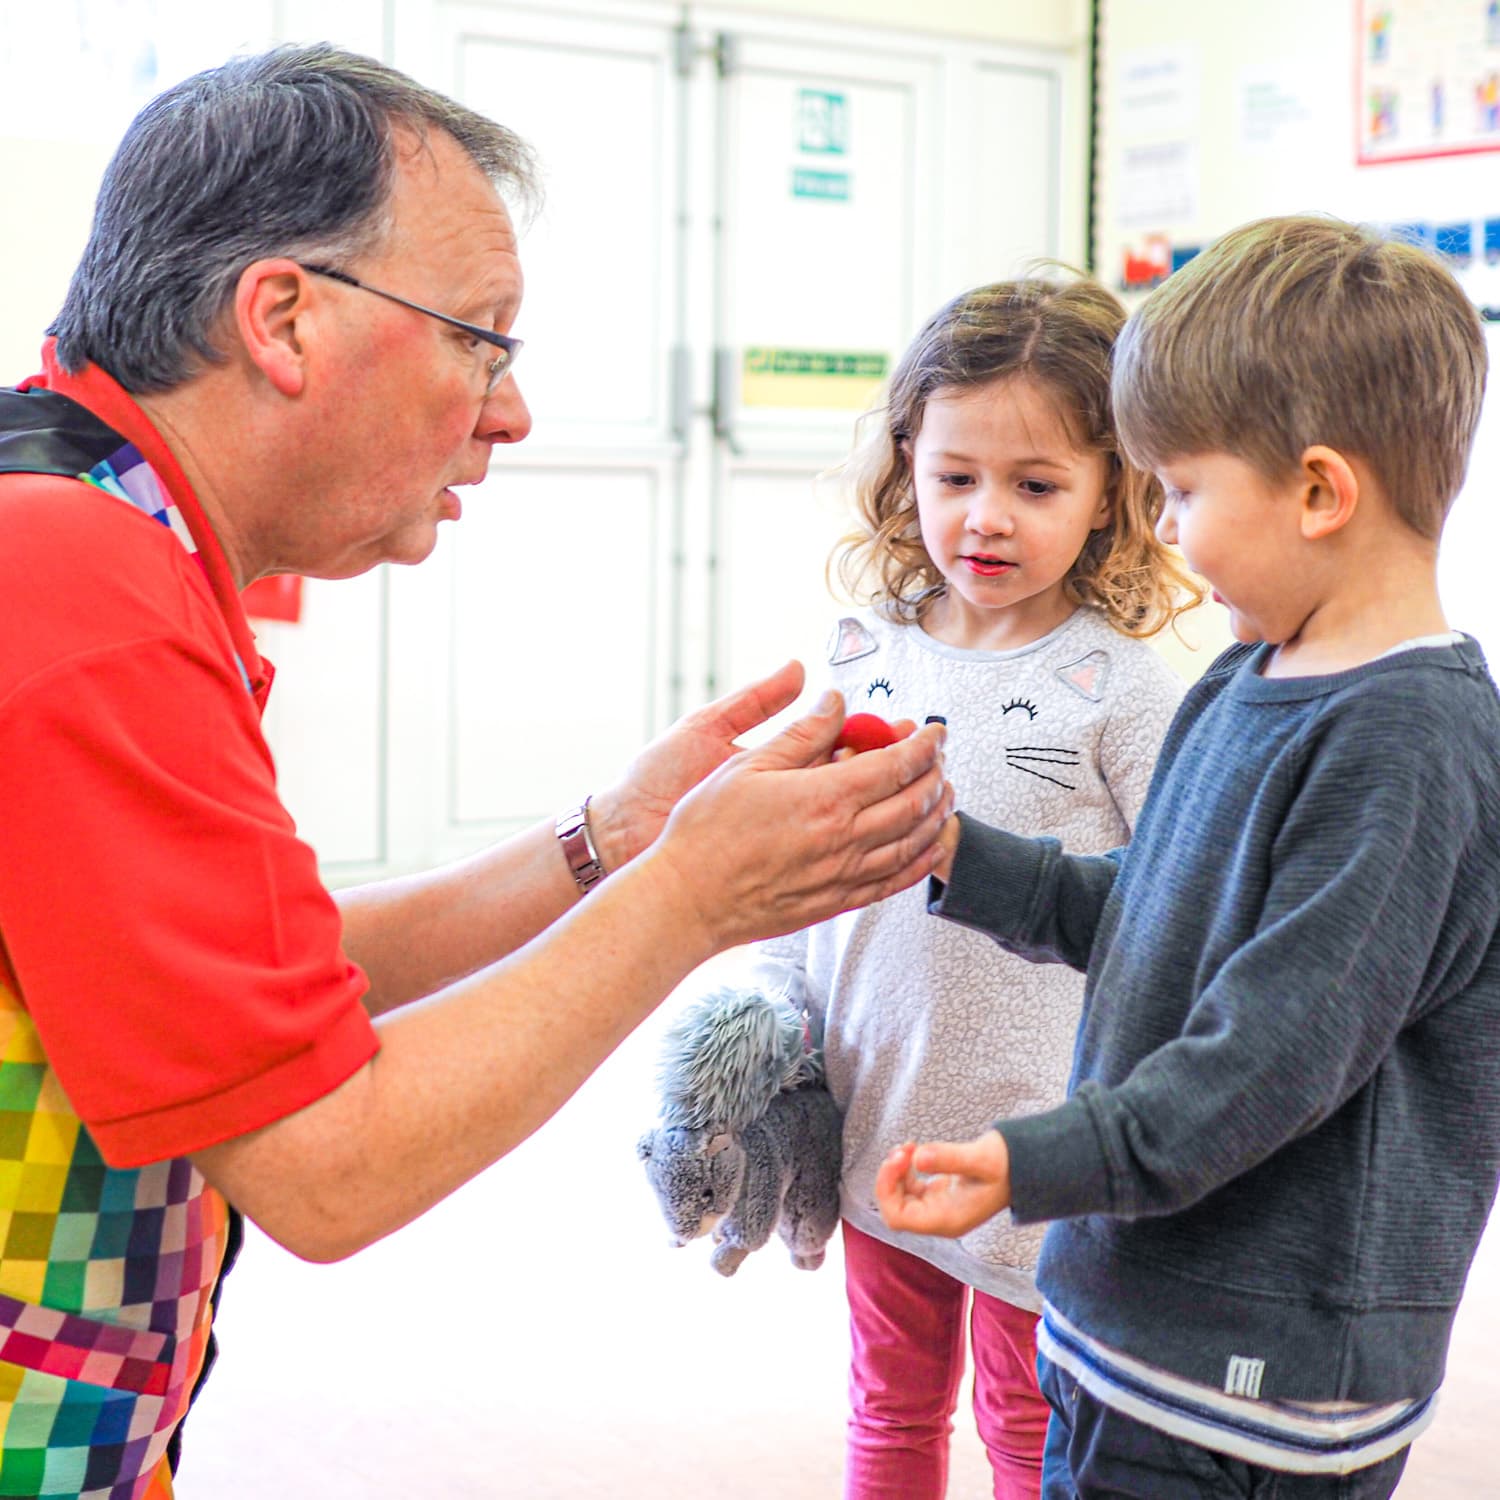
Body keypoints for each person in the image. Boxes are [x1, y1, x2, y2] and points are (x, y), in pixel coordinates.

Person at [0, 45, 952, 1500]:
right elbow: (329, 1163)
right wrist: (691, 899)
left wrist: (610, 842)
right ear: (284, 318)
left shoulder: (85, 526)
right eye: (482, 340)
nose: (506, 412)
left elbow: (247, 989)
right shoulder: (81, 595)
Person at [874, 214, 1500, 1499]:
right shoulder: (1252, 669)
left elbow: (1271, 1054)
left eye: (1184, 491)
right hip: (1136, 1318)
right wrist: (949, 853)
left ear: (1322, 491)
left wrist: (1033, 1157)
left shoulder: (1411, 740)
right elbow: (1161, 913)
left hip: (1251, 1379)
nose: (1163, 525)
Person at [743, 277, 1199, 1500]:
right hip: (877, 1111)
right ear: (908, 464)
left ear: (1116, 491)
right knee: (888, 1406)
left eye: (1037, 485)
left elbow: (1168, 917)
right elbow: (792, 870)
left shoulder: (1127, 686)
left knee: (1025, 1421)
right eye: (955, 478)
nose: (987, 518)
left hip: (1036, 1145)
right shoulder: (860, 652)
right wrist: (764, 1030)